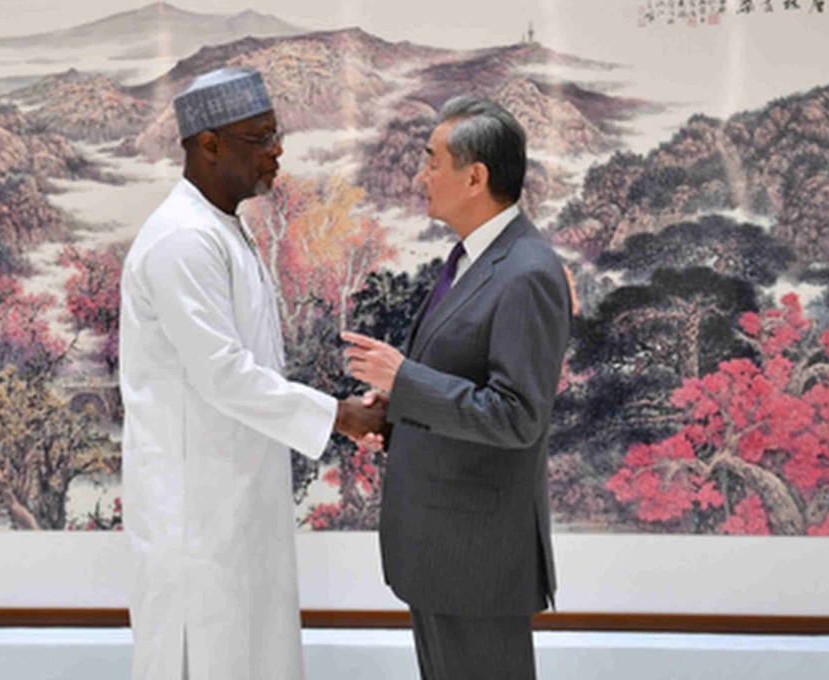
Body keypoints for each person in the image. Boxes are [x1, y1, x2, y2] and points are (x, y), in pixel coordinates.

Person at [119, 67, 384, 680]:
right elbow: (224, 375)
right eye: (259, 137)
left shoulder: (223, 230)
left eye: (276, 133)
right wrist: (342, 415)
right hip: (196, 522)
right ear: (209, 145)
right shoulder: (183, 240)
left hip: (233, 508)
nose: (277, 150)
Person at [343, 96, 573, 680]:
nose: (421, 176)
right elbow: (464, 382)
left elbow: (519, 415)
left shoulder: (527, 272)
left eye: (432, 162)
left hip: (478, 556)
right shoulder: (472, 256)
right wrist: (397, 408)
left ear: (475, 177)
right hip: (444, 549)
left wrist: (405, 377)